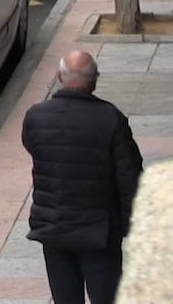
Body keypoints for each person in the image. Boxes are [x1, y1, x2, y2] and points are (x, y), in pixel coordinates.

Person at [22, 50, 143, 304]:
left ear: (59, 76)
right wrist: (127, 224)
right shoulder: (111, 119)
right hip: (99, 232)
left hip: (53, 228)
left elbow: (33, 148)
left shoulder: (35, 117)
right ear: (94, 80)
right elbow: (130, 179)